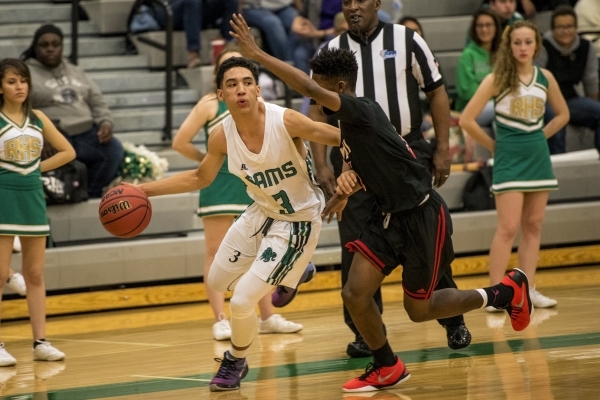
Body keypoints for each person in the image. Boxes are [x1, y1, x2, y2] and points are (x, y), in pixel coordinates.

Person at [229, 15, 534, 392]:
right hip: (386, 217)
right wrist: (344, 189)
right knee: (355, 294)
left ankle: (505, 292)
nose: (314, 98)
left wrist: (257, 53)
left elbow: (306, 85)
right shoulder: (351, 129)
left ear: (339, 88)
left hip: (421, 215)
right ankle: (387, 364)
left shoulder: (361, 110)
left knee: (418, 311)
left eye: (321, 91)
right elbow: (368, 168)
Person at [136, 55, 340, 391]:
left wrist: (370, 153)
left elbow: (334, 135)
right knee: (217, 280)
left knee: (243, 300)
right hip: (261, 213)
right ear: (220, 95)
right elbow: (200, 177)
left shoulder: (284, 120)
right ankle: (295, 269)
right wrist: (143, 190)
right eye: (232, 84)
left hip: (299, 220)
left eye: (247, 83)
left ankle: (236, 360)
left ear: (258, 90)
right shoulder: (220, 136)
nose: (241, 89)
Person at [302, 0, 471, 358]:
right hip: (352, 157)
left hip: (405, 151)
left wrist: (441, 148)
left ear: (377, 2)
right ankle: (367, 333)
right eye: (346, 1)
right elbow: (315, 109)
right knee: (356, 245)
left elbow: (437, 91)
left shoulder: (407, 39)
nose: (353, 6)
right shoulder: (331, 50)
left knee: (426, 242)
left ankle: (453, 318)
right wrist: (322, 163)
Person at [171, 43, 307, 340]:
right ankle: (220, 318)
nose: (239, 84)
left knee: (259, 249)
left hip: (251, 180)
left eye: (243, 75)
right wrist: (211, 162)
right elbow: (180, 142)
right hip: (219, 182)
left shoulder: (258, 109)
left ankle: (267, 316)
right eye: (230, 74)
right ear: (220, 82)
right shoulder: (209, 105)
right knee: (216, 251)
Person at [459, 21, 569, 311]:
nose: (522, 48)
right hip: (509, 159)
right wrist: (494, 145)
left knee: (533, 226)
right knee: (507, 228)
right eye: (517, 42)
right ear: (509, 46)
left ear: (536, 45)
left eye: (528, 42)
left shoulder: (545, 77)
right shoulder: (497, 78)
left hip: (538, 158)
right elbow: (468, 119)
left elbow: (563, 114)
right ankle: (496, 294)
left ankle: (529, 289)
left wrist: (540, 136)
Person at [0, 58, 75, 366]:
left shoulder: (38, 118)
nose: (19, 87)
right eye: (11, 81)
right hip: (4, 198)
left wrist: (34, 169)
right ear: (0, 87)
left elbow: (68, 151)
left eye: (23, 81)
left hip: (32, 198)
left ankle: (40, 342)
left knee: (34, 274)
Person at [21, 24, 124, 199]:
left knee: (113, 150)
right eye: (44, 45)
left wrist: (105, 122)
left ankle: (89, 194)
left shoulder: (76, 71)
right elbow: (19, 108)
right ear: (35, 48)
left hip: (86, 133)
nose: (50, 49)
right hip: (53, 133)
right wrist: (39, 134)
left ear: (62, 46)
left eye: (55, 44)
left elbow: (97, 100)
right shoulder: (25, 73)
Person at [535, 5, 600, 155]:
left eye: (569, 26)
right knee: (555, 117)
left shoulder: (586, 47)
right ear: (552, 29)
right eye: (560, 27)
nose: (565, 31)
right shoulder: (543, 47)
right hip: (545, 100)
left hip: (570, 99)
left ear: (576, 28)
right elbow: (536, 82)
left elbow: (590, 81)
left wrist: (590, 105)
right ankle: (558, 164)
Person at [455, 9, 502, 135]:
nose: (484, 29)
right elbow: (467, 91)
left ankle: (502, 153)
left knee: (499, 120)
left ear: (496, 27)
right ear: (474, 29)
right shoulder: (468, 55)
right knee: (501, 109)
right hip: (470, 109)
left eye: (488, 25)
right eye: (480, 25)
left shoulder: (502, 54)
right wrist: (494, 93)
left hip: (495, 107)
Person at [153, 0, 239, 68]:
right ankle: (193, 53)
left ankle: (230, 48)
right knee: (192, 1)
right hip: (167, 8)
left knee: (231, 1)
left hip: (199, 7)